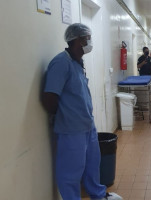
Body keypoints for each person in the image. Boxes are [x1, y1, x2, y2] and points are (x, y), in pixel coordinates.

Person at [42, 23, 122, 200]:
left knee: (92, 165)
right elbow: (49, 98)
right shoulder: (61, 62)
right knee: (70, 172)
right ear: (78, 40)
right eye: (88, 38)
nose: (90, 42)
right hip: (71, 129)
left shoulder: (77, 62)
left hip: (87, 126)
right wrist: (66, 116)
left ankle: (99, 196)